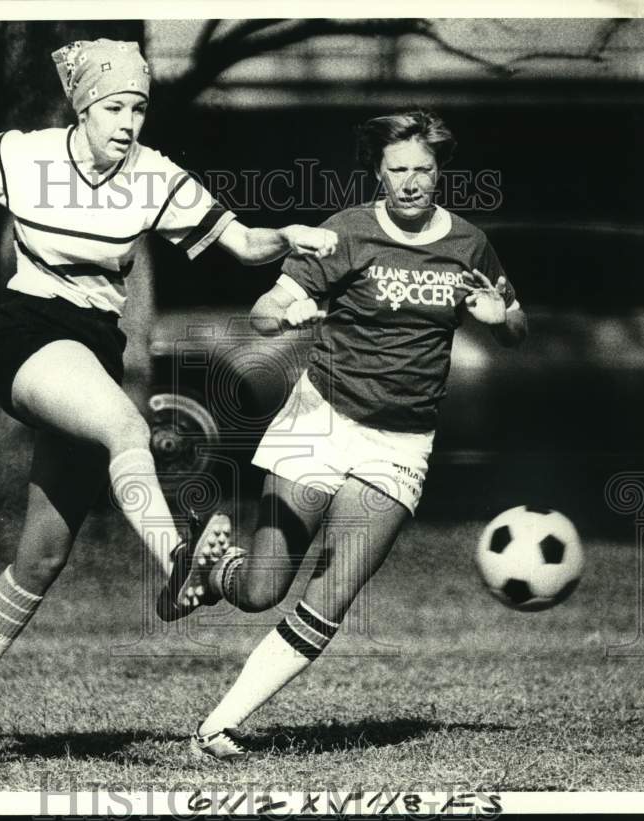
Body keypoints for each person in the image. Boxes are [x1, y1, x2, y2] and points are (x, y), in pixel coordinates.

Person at [0, 35, 337, 768]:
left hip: (95, 349)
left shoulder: (155, 176)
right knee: (127, 424)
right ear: (83, 106)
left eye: (138, 107)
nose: (129, 121)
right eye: (114, 107)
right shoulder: (28, 155)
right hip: (30, 339)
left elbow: (244, 241)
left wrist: (289, 235)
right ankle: (175, 560)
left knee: (41, 557)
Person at [171, 110, 527, 761]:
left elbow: (516, 321)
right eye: (399, 170)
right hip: (320, 420)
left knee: (333, 593)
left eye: (424, 168)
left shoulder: (470, 244)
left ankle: (216, 726)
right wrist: (282, 318)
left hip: (401, 444)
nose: (412, 182)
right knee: (261, 589)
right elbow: (261, 312)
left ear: (440, 169)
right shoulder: (346, 232)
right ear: (378, 172)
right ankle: (214, 566)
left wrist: (501, 316)